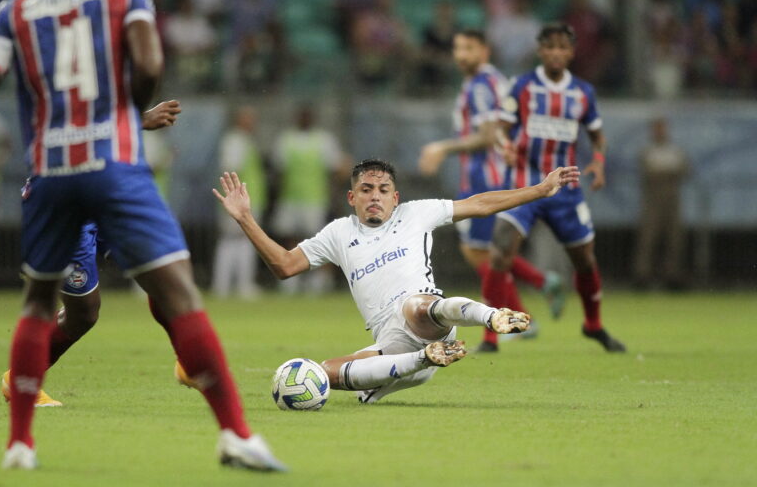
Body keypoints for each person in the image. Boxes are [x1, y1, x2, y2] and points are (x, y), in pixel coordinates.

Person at [0, 0, 285, 471]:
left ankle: (19, 444)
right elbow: (149, 63)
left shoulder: (11, 10)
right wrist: (127, 117)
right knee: (164, 294)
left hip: (50, 173)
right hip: (113, 171)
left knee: (39, 303)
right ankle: (235, 434)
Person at [177, 159, 579, 404]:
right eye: (366, 189)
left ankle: (491, 317)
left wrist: (540, 190)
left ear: (396, 197)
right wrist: (245, 218)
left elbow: (479, 203)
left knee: (416, 306)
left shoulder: (417, 214)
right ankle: (424, 359)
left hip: (427, 317)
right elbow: (283, 266)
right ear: (351, 198)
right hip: (397, 353)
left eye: (383, 190)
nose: (375, 196)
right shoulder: (337, 233)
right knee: (317, 374)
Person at [1, 100, 182, 408]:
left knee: (159, 271)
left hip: (107, 193)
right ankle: (18, 379)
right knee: (84, 314)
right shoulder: (51, 75)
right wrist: (141, 118)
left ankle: (188, 362)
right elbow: (73, 126)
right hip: (64, 201)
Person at [418, 30, 563, 353]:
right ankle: (534, 296)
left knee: (484, 255)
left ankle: (503, 326)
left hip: (486, 178)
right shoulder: (490, 81)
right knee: (483, 254)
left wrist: (442, 147)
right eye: (457, 47)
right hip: (489, 175)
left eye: (468, 48)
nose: (461, 55)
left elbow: (486, 135)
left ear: (484, 50)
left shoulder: (482, 85)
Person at [491, 22, 626, 352]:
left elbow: (597, 135)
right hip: (525, 184)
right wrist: (504, 146)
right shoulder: (522, 86)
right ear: (540, 51)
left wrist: (598, 161)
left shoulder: (583, 92)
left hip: (566, 190)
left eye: (562, 47)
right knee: (499, 252)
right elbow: (501, 129)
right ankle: (491, 335)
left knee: (585, 261)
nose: (555, 52)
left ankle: (593, 325)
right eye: (549, 46)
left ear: (571, 52)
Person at [272, 104, 350, 294]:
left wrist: (335, 195)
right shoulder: (286, 139)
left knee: (317, 240)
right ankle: (292, 279)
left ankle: (319, 280)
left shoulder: (323, 140)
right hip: (290, 197)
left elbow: (337, 169)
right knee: (290, 237)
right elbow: (279, 170)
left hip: (315, 199)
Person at [212, 105, 267, 299]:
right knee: (233, 240)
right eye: (249, 119)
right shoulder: (235, 141)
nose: (253, 123)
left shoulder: (243, 140)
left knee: (240, 241)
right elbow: (230, 168)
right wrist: (234, 196)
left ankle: (235, 285)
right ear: (240, 120)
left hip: (246, 198)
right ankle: (228, 285)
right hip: (239, 199)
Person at [633, 117, 689, 290]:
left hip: (672, 200)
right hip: (652, 200)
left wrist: (661, 173)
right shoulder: (648, 151)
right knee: (648, 238)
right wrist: (667, 173)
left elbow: (685, 169)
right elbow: (646, 171)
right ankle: (642, 276)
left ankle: (673, 275)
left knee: (674, 238)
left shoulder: (674, 150)